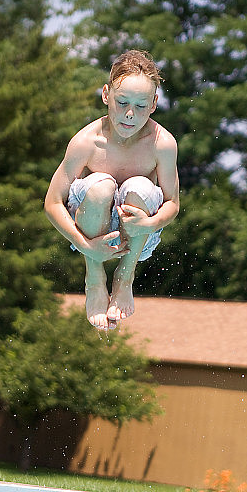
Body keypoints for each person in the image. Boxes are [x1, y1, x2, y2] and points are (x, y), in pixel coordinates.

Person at [44, 49, 179, 331]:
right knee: (101, 186)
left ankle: (125, 278)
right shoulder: (86, 142)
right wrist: (86, 247)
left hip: (138, 231)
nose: (130, 114)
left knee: (141, 187)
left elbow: (172, 204)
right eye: (122, 102)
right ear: (106, 95)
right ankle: (94, 279)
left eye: (141, 106)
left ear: (154, 104)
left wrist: (151, 223)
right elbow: (52, 203)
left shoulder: (162, 144)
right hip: (89, 228)